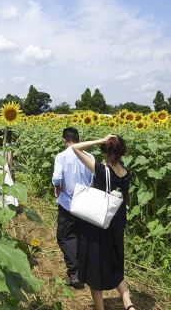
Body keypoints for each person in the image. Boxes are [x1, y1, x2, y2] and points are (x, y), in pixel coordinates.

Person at [71, 134, 136, 310]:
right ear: (122, 152)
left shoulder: (101, 170)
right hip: (117, 225)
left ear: (105, 151)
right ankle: (128, 304)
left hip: (98, 226)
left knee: (95, 269)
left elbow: (75, 148)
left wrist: (100, 140)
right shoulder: (126, 173)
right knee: (114, 262)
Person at [52, 127, 94, 288]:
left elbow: (57, 177)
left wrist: (57, 186)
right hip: (85, 203)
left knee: (65, 236)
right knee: (82, 235)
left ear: (65, 141)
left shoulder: (62, 156)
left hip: (67, 204)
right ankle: (86, 270)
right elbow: (94, 177)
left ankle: (75, 272)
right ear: (78, 139)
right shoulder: (89, 156)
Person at [0, 129, 18, 207]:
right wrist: (12, 170)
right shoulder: (5, 145)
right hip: (3, 167)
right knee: (7, 185)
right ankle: (9, 205)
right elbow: (9, 159)